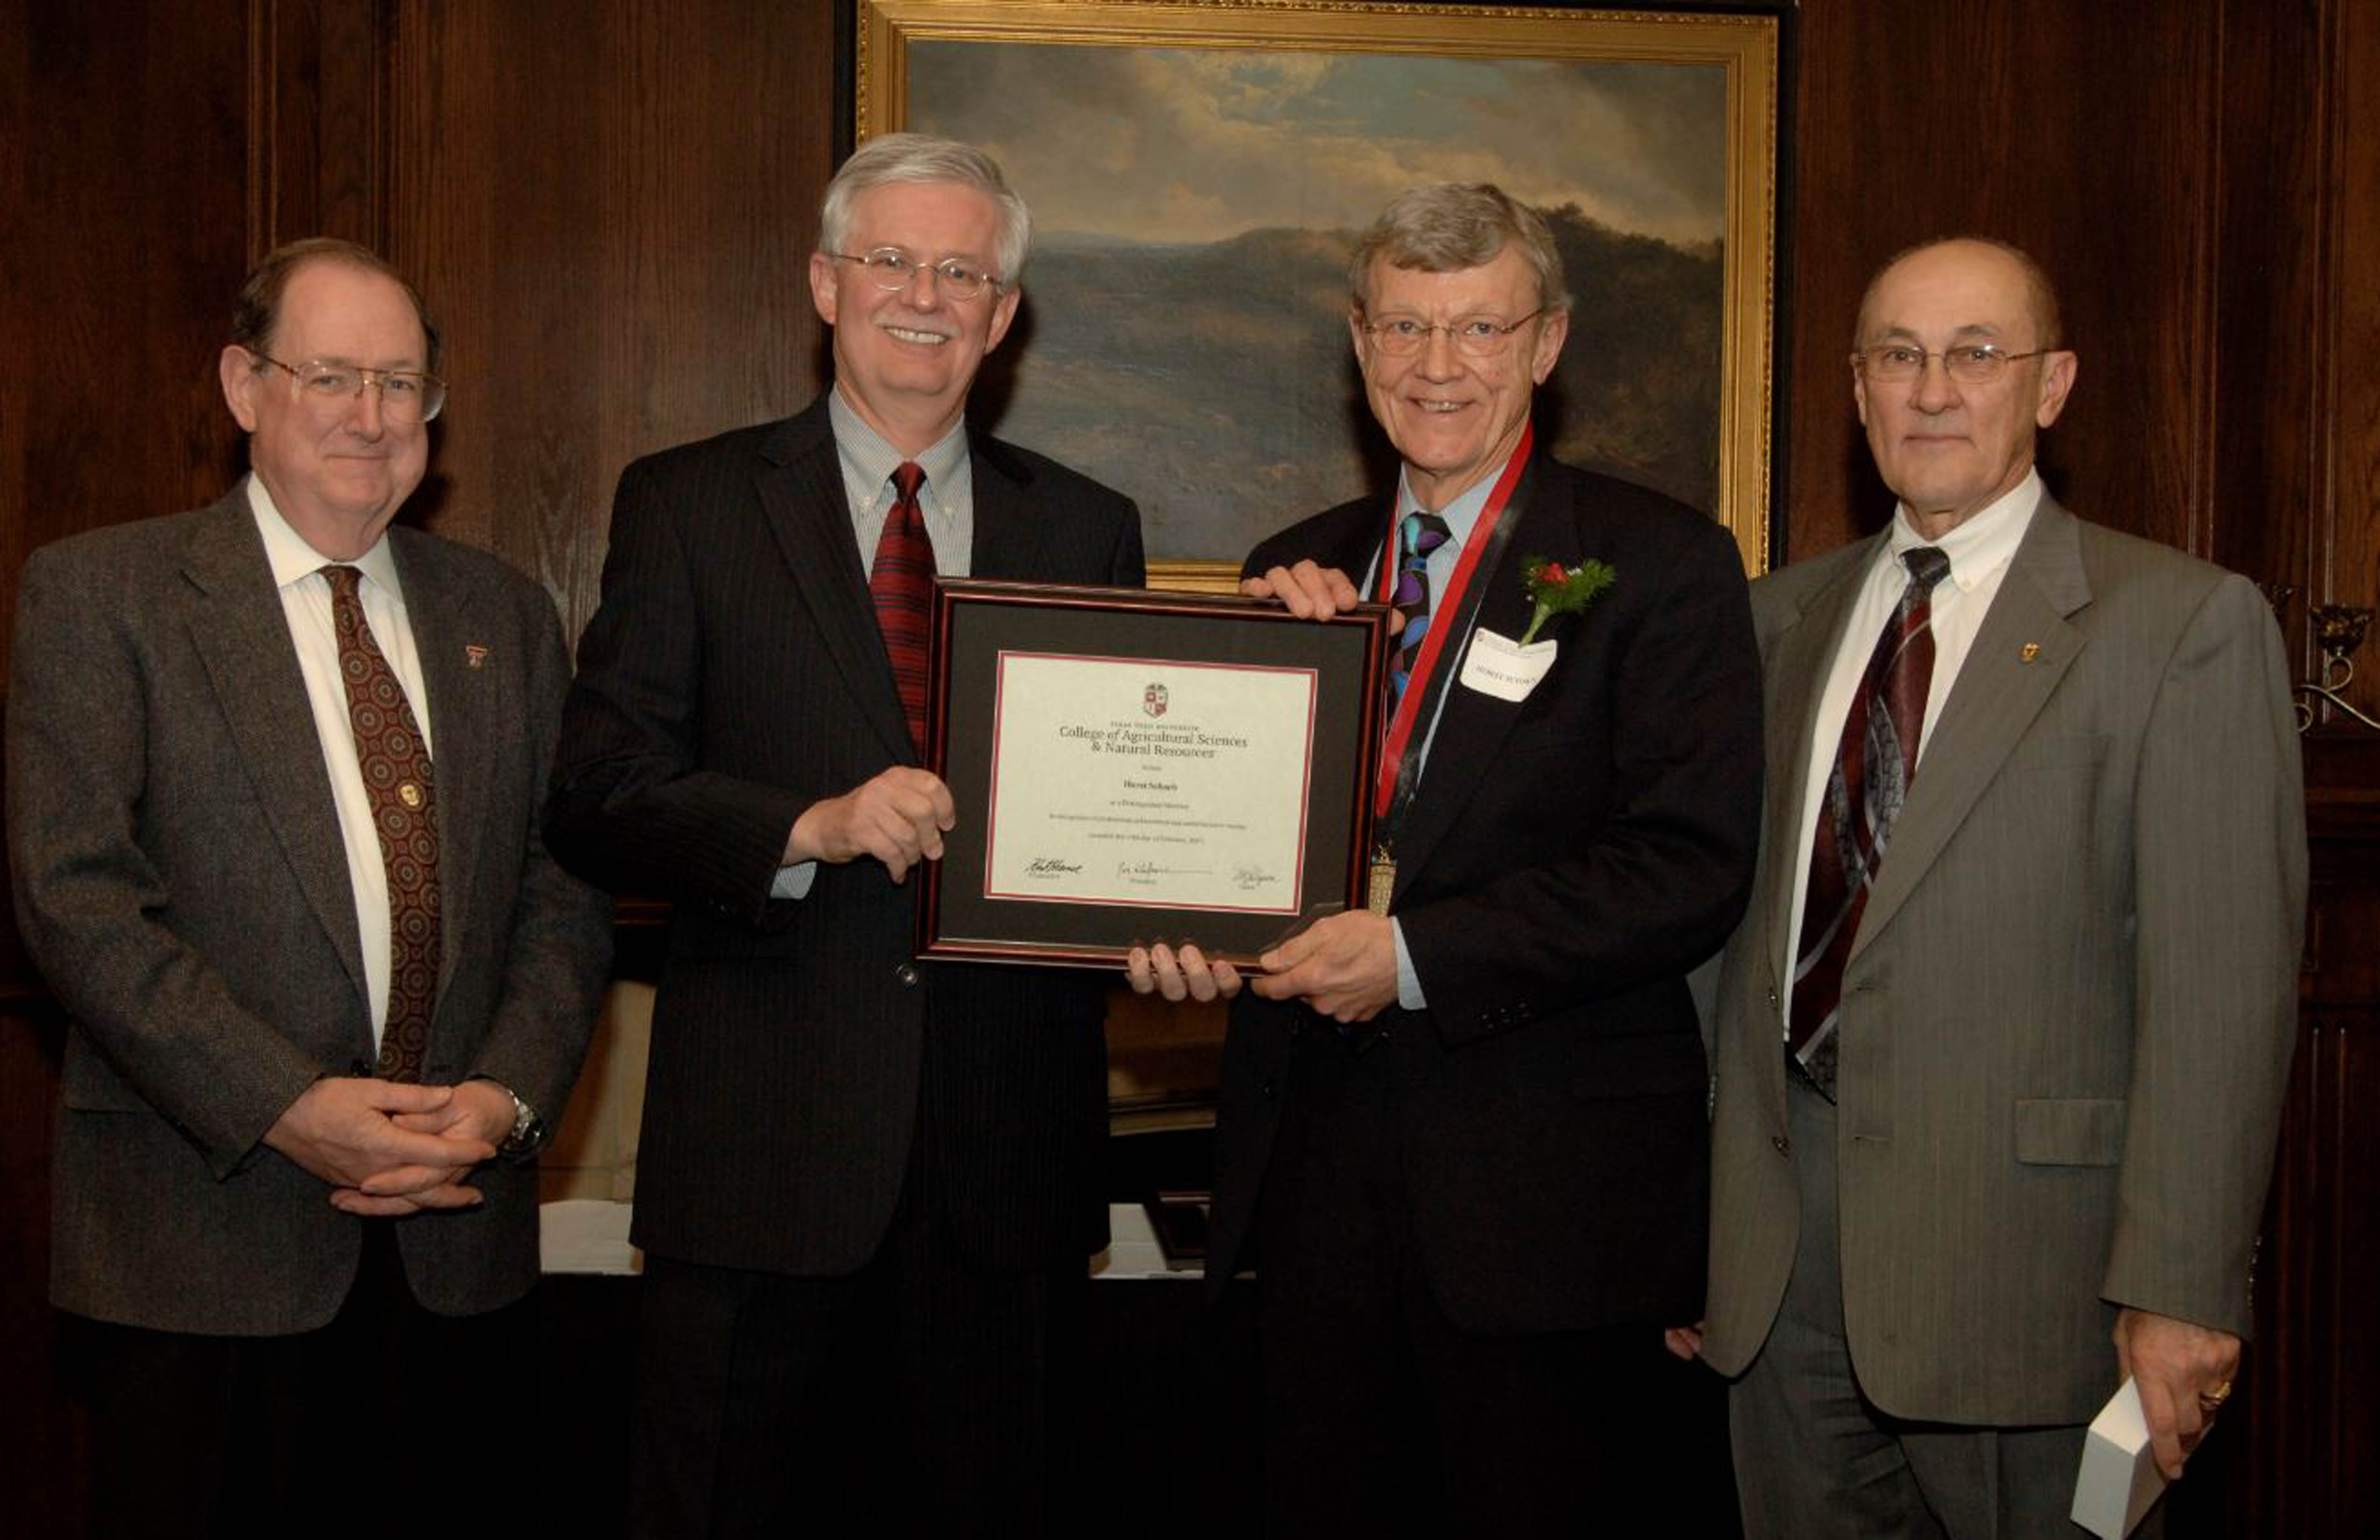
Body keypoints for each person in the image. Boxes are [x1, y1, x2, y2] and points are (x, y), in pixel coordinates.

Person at [1133, 182, 1761, 1531]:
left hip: (1547, 1213)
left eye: (1480, 328)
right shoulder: (1294, 573)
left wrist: (1415, 957)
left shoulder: (1657, 563)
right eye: (1406, 327)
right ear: (1360, 343)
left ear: (1547, 344)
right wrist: (1188, 928)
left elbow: (1686, 864)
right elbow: (1240, 853)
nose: (1437, 366)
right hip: (1310, 1195)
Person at [542, 133, 1143, 1534]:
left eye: (963, 273)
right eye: (890, 260)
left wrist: (1168, 922)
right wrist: (806, 824)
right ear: (826, 284)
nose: (924, 296)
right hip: (762, 1166)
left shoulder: (1088, 526)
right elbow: (597, 792)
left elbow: (1116, 814)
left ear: (1004, 312)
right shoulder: (688, 503)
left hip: (1006, 1174)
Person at [1687, 236, 2305, 1538]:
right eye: (1898, 356)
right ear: (1856, 388)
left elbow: (2222, 996)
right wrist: (1692, 1233)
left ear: (2052, 385)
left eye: (1975, 354)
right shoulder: (1771, 623)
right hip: (1778, 1281)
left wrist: (2183, 1287)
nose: (1932, 390)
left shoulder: (2179, 627)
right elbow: (1716, 945)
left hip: (2037, 1290)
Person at [5, 238, 614, 1537]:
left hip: (453, 1242)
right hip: (203, 1246)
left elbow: (562, 891)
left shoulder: (504, 617)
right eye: (330, 376)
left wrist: (504, 1102)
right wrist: (286, 1105)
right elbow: (78, 900)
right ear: (244, 386)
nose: (370, 416)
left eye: (401, 384)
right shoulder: (105, 595)